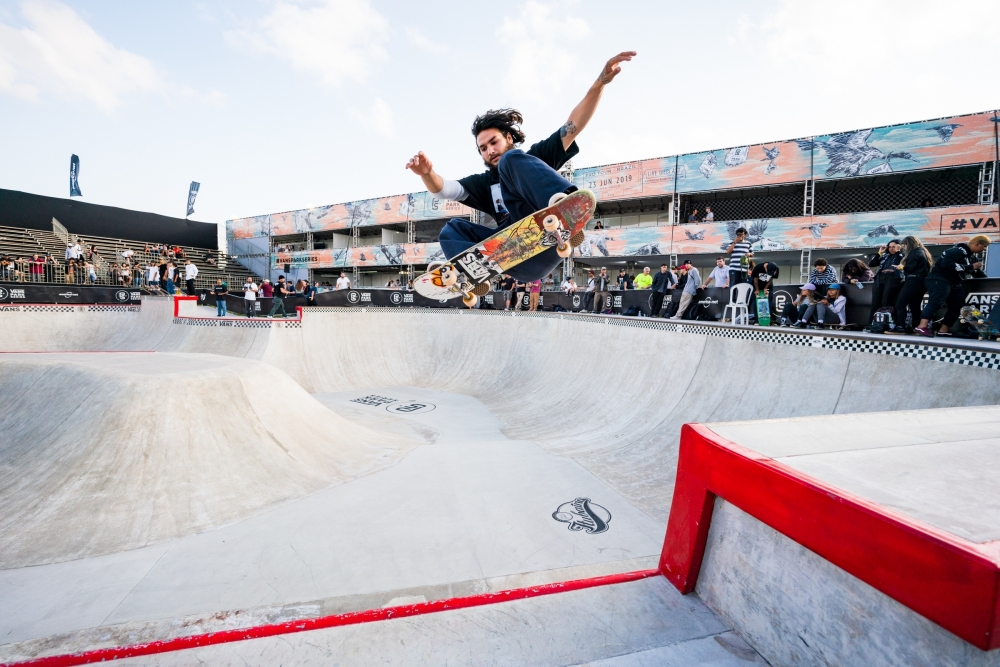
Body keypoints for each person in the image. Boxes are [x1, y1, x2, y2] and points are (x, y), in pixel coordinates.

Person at [405, 52, 635, 284]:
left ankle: (563, 208)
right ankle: (466, 274)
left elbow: (572, 126)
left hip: (550, 240)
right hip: (517, 260)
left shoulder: (532, 159)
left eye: (493, 142)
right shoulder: (483, 184)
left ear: (508, 137)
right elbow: (445, 189)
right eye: (483, 148)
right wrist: (426, 173)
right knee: (450, 230)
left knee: (511, 160)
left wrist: (600, 83)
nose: (490, 151)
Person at [914, 235, 991, 337]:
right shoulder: (957, 251)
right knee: (936, 302)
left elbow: (976, 272)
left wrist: (990, 281)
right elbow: (946, 264)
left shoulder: (971, 257)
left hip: (954, 283)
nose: (984, 249)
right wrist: (970, 267)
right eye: (984, 246)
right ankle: (922, 326)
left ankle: (944, 329)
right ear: (977, 244)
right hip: (939, 279)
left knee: (958, 304)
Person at [894, 236, 932, 331]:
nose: (904, 247)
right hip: (922, 282)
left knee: (900, 304)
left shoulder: (914, 252)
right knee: (915, 306)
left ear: (909, 244)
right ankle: (916, 326)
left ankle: (900, 326)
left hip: (912, 281)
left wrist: (901, 267)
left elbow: (911, 268)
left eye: (905, 245)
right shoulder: (923, 252)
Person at [867, 239, 904, 328]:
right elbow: (871, 264)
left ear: (899, 246)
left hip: (892, 278)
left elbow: (901, 262)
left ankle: (885, 323)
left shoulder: (902, 255)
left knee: (886, 301)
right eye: (890, 247)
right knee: (875, 301)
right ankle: (872, 323)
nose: (891, 249)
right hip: (880, 278)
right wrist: (879, 253)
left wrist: (898, 251)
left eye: (894, 247)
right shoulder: (885, 256)